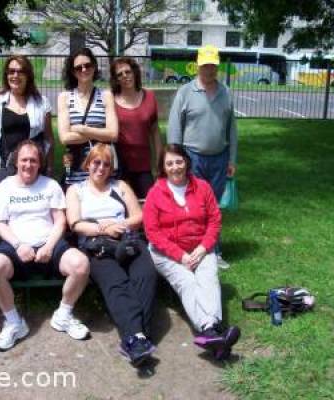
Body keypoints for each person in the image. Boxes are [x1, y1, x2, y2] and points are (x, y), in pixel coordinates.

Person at [0, 140, 90, 352]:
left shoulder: (50, 185)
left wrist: (49, 246)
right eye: (24, 160)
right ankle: (14, 323)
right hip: (16, 247)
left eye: (33, 160)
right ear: (16, 162)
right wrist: (18, 245)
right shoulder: (4, 187)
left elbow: (60, 220)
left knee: (81, 264)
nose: (28, 165)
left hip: (48, 245)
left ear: (40, 163)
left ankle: (64, 314)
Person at [143, 144, 240, 361]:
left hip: (200, 248)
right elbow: (152, 233)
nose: (175, 167)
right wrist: (181, 256)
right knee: (187, 281)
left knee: (208, 278)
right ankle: (212, 330)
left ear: (187, 163)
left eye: (179, 161)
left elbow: (214, 221)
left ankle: (212, 335)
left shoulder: (203, 187)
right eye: (169, 163)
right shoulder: (155, 193)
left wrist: (203, 247)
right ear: (163, 167)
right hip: (166, 252)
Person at [66, 143, 158, 367]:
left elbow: (138, 216)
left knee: (146, 274)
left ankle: (136, 336)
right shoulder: (76, 190)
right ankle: (136, 337)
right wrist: (102, 229)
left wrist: (119, 224)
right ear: (88, 164)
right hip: (96, 245)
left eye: (106, 164)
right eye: (96, 162)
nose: (101, 168)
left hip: (126, 240)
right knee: (116, 282)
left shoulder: (121, 186)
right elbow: (75, 223)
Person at [167, 44, 237, 269]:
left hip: (219, 158)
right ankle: (192, 248)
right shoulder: (185, 92)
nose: (209, 69)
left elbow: (232, 129)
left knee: (213, 207)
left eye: (213, 65)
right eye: (205, 65)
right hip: (192, 157)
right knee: (194, 204)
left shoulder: (225, 92)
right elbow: (175, 126)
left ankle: (214, 251)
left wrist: (232, 159)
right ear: (198, 65)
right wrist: (176, 158)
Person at [0, 55, 54, 187]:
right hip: (4, 168)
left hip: (33, 167)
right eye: (11, 71)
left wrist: (49, 168)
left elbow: (48, 139)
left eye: (20, 71)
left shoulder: (42, 103)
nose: (15, 75)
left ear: (28, 76)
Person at [58, 48, 118, 187]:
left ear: (94, 67)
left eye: (88, 65)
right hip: (75, 169)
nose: (84, 69)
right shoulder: (65, 97)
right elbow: (65, 138)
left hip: (102, 168)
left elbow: (114, 134)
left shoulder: (106, 96)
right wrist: (101, 133)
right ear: (73, 72)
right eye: (79, 67)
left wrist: (81, 129)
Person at [110, 57, 162, 199]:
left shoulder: (150, 96)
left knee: (148, 204)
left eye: (127, 71)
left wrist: (159, 164)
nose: (125, 76)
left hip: (144, 165)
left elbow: (155, 132)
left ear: (134, 72)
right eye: (119, 74)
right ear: (116, 79)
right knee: (123, 207)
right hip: (119, 166)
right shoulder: (110, 100)